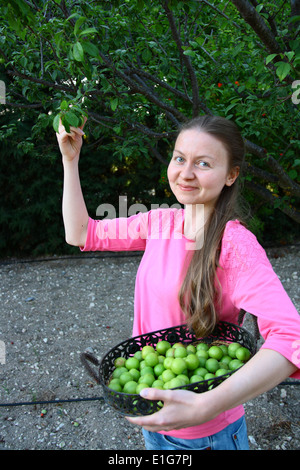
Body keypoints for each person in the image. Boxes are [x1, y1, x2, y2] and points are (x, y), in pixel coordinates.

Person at [56, 114, 300, 450]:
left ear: (231, 175)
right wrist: (71, 161)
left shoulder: (234, 245)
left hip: (208, 435)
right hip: (154, 421)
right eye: (180, 158)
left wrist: (207, 405)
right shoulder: (160, 222)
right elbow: (80, 232)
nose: (185, 173)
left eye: (203, 163)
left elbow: (291, 337)